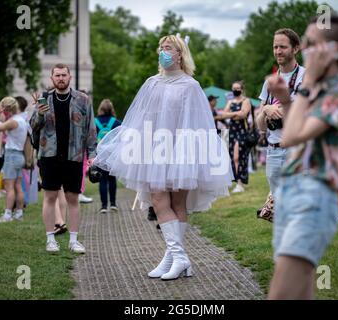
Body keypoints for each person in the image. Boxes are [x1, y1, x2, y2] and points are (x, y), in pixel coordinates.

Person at [93, 34, 233, 280]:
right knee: (158, 198)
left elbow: (199, 122)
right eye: (161, 48)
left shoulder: (190, 85)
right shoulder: (152, 83)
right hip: (155, 148)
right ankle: (178, 257)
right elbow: (142, 116)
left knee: (178, 204)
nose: (163, 51)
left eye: (168, 48)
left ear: (180, 54)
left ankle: (175, 259)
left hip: (180, 148)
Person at [265, 16, 338, 299]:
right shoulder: (319, 88)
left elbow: (292, 135)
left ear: (335, 49)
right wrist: (286, 99)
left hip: (314, 196)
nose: (305, 48)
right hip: (294, 191)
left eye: (312, 43)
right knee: (300, 291)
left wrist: (303, 87)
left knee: (281, 294)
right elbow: (292, 134)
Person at [30, 63, 97, 254]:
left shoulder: (83, 99)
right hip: (49, 155)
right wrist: (40, 113)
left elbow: (91, 129)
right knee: (50, 197)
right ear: (52, 78)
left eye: (64, 75)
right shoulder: (44, 99)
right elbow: (33, 126)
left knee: (73, 198)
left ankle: (74, 241)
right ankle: (50, 239)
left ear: (70, 77)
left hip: (74, 155)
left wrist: (92, 155)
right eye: (57, 75)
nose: (60, 78)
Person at [256, 28, 306, 210]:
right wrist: (266, 110)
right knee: (279, 207)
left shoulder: (306, 77)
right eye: (275, 47)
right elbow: (260, 125)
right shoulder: (270, 81)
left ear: (295, 49)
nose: (277, 51)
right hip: (274, 151)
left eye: (282, 47)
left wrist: (282, 107)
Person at [0, 97, 29, 222]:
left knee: (9, 187)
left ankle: (8, 214)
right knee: (18, 186)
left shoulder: (13, 121)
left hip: (12, 155)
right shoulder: (22, 120)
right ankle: (19, 213)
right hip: (19, 155)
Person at [217, 81, 251, 193]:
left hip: (242, 132)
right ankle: (237, 182)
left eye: (237, 88)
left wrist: (231, 114)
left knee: (240, 157)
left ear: (241, 89)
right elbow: (223, 114)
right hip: (232, 131)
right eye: (233, 88)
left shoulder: (246, 101)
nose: (235, 90)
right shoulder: (230, 101)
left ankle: (240, 182)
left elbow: (243, 114)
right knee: (233, 157)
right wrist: (236, 114)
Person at [94, 99, 121, 214]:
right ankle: (113, 204)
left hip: (100, 154)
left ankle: (104, 206)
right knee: (112, 179)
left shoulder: (95, 122)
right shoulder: (116, 122)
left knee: (102, 180)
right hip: (112, 155)